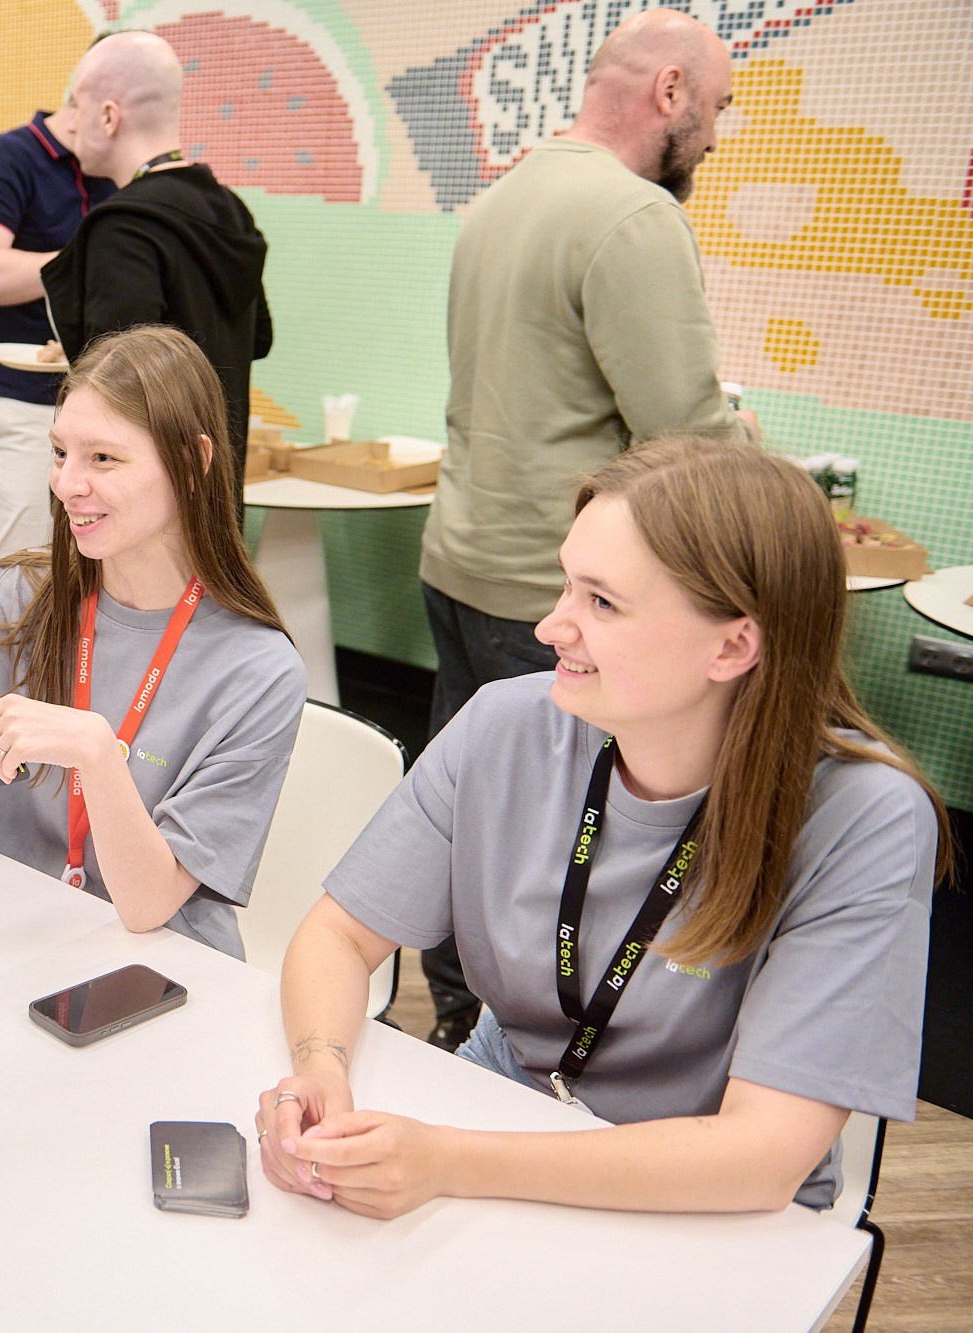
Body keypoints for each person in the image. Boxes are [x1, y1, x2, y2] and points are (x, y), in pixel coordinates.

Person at [256, 435, 946, 1218]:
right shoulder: (508, 725)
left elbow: (761, 1156)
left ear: (732, 645)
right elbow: (341, 936)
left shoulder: (864, 817)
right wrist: (319, 1066)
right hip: (501, 1124)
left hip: (704, 1205)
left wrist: (446, 1159)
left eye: (602, 601)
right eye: (566, 585)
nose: (551, 626)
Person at [416, 8, 759, 1050]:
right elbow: (686, 440)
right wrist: (741, 432)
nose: (713, 134)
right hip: (564, 601)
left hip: (459, 563)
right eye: (713, 107)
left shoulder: (499, 198)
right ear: (667, 93)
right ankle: (537, 1050)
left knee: (471, 822)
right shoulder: (631, 217)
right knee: (564, 848)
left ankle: (454, 1028)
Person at [0, 326, 306, 959]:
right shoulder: (22, 594)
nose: (68, 484)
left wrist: (98, 753)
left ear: (192, 463)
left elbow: (150, 905)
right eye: (60, 452)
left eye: (103, 459)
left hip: (159, 964)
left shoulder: (257, 670)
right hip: (12, 936)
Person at [40, 31, 272, 492]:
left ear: (108, 116)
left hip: (143, 500)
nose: (69, 125)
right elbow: (258, 339)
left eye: (77, 108)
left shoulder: (124, 227)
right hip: (216, 483)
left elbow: (115, 382)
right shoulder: (230, 210)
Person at [0, 95, 114, 573]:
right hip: (13, 398)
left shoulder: (110, 172)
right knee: (17, 572)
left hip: (89, 400)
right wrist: (87, 260)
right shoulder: (9, 159)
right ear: (105, 110)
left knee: (78, 571)